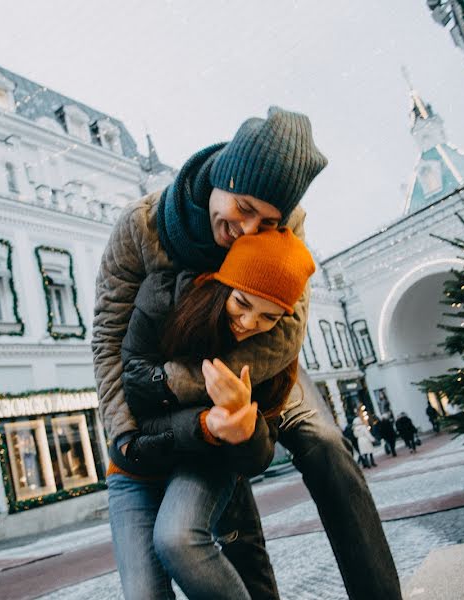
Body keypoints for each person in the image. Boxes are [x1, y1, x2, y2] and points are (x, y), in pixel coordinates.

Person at [93, 106, 401, 600]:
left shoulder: (287, 220)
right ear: (220, 177)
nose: (250, 229)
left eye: (268, 221)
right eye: (243, 207)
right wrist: (127, 430)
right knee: (223, 486)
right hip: (174, 372)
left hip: (266, 364)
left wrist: (200, 384)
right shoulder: (141, 228)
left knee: (326, 445)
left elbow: (288, 326)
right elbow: (109, 334)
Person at [109, 227, 313, 598]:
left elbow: (259, 457)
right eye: (242, 303)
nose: (250, 323)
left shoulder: (272, 357)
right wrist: (206, 423)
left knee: (178, 538)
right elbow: (138, 406)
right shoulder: (164, 297)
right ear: (222, 285)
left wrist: (246, 431)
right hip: (136, 464)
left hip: (203, 463)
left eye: (269, 317)